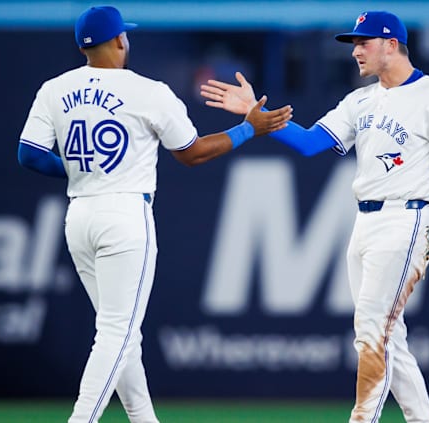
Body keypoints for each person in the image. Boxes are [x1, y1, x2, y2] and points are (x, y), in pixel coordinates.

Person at [17, 6, 292, 423]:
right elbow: (193, 153)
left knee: (124, 334)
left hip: (80, 216)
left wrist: (80, 167)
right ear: (119, 41)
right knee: (116, 333)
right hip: (125, 214)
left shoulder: (54, 89)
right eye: (124, 36)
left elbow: (30, 155)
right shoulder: (149, 90)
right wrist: (247, 128)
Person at [200, 10, 429, 423]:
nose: (356, 52)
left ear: (392, 44)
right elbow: (312, 143)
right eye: (354, 44)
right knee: (388, 337)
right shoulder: (361, 99)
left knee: (370, 330)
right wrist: (257, 118)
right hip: (364, 223)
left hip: (408, 218)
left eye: (363, 43)